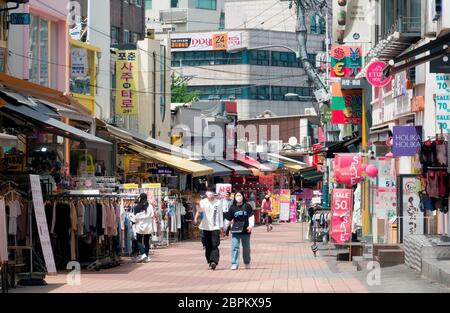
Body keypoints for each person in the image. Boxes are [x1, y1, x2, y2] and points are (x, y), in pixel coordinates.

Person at [194, 188, 223, 270]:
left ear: (214, 193)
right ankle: (210, 261)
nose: (209, 193)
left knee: (215, 244)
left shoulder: (218, 202)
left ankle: (214, 261)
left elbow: (220, 214)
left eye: (211, 192)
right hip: (205, 226)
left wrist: (221, 226)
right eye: (208, 192)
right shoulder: (203, 201)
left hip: (215, 226)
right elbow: (200, 210)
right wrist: (196, 216)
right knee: (207, 245)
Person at [225, 191, 254, 270]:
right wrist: (224, 229)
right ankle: (234, 263)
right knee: (235, 247)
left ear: (243, 196)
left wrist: (251, 226)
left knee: (246, 248)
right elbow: (227, 219)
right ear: (234, 197)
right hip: (235, 231)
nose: (238, 197)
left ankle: (247, 262)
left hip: (246, 231)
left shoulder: (247, 206)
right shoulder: (232, 207)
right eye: (237, 195)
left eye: (240, 195)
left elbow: (251, 216)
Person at [131, 193, 153, 263]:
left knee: (139, 241)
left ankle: (143, 254)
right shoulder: (150, 206)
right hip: (148, 226)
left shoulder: (137, 207)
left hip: (139, 226)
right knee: (146, 242)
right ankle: (146, 256)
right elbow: (152, 215)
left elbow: (134, 218)